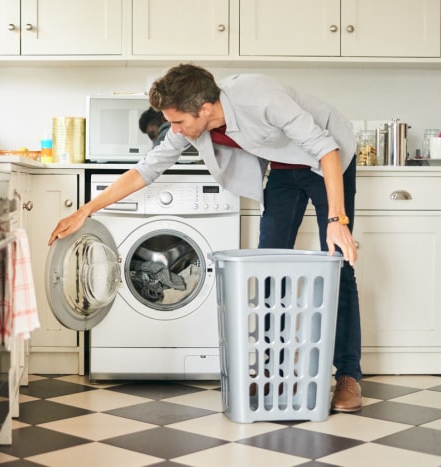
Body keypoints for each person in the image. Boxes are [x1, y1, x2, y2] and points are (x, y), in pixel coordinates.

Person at [48, 63, 362, 413]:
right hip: (284, 168)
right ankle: (276, 372)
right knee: (270, 271)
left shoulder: (261, 97)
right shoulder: (193, 122)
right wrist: (85, 211)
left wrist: (338, 219)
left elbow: (325, 148)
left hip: (329, 158)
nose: (175, 130)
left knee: (339, 263)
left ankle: (349, 376)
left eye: (179, 121)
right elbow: (146, 169)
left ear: (205, 108)